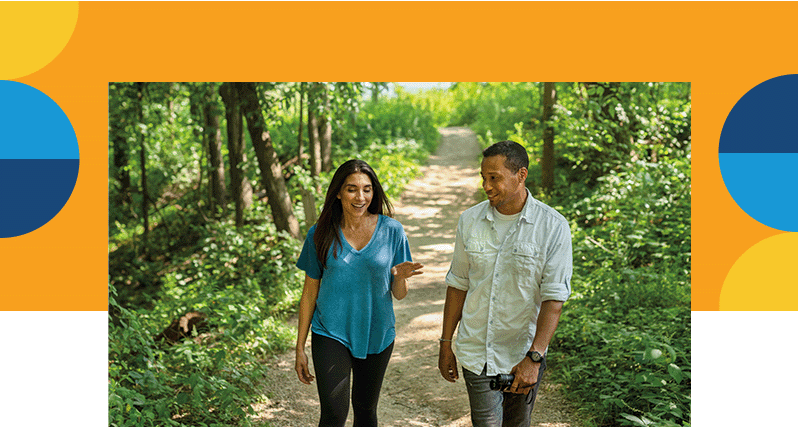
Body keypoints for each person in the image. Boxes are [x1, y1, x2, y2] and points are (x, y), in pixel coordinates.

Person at [437, 140, 573, 427]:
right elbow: (458, 284)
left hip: (522, 352)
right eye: (483, 178)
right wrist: (446, 343)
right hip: (477, 353)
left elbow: (554, 300)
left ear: (521, 175)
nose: (486, 186)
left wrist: (534, 358)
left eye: (494, 178)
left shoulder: (553, 226)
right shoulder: (470, 221)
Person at [295, 159, 424, 427]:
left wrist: (399, 277)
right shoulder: (319, 234)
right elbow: (309, 294)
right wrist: (299, 347)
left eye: (367, 189)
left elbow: (399, 294)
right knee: (333, 414)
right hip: (331, 332)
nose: (360, 196)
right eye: (352, 189)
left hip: (377, 333)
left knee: (366, 411)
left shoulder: (392, 231)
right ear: (339, 192)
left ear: (373, 192)